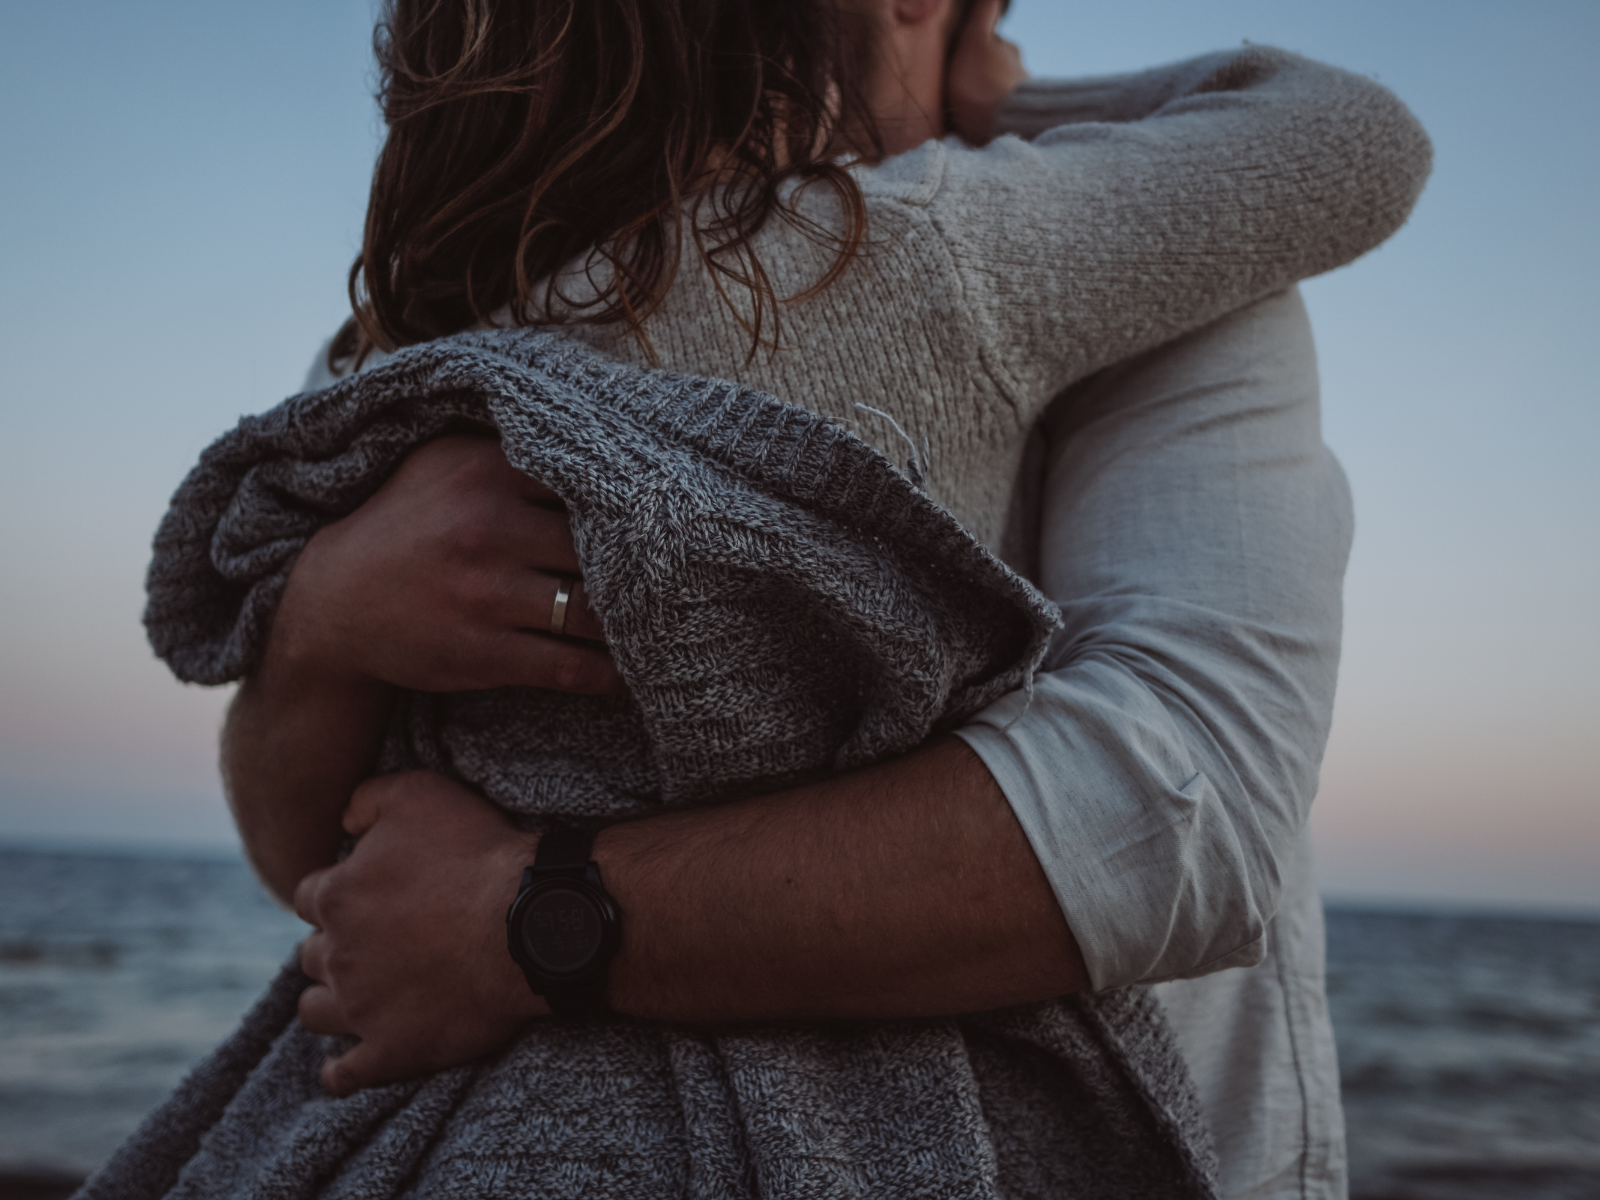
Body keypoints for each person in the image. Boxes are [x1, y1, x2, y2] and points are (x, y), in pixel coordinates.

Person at [138, 0, 1427, 1196]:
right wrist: (321, 627)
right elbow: (1357, 138)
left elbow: (1175, 810)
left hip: (446, 1112)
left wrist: (507, 920)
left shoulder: (399, 358)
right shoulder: (941, 253)